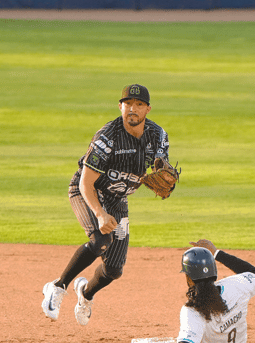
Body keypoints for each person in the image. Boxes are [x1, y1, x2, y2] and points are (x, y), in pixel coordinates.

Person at [42, 84, 172, 326]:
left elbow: (160, 168)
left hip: (117, 199)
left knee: (113, 270)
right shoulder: (107, 138)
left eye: (139, 104)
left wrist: (165, 179)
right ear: (120, 106)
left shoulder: (159, 136)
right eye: (128, 103)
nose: (133, 109)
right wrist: (100, 214)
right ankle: (58, 286)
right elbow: (85, 183)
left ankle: (86, 294)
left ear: (148, 109)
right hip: (88, 192)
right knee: (101, 240)